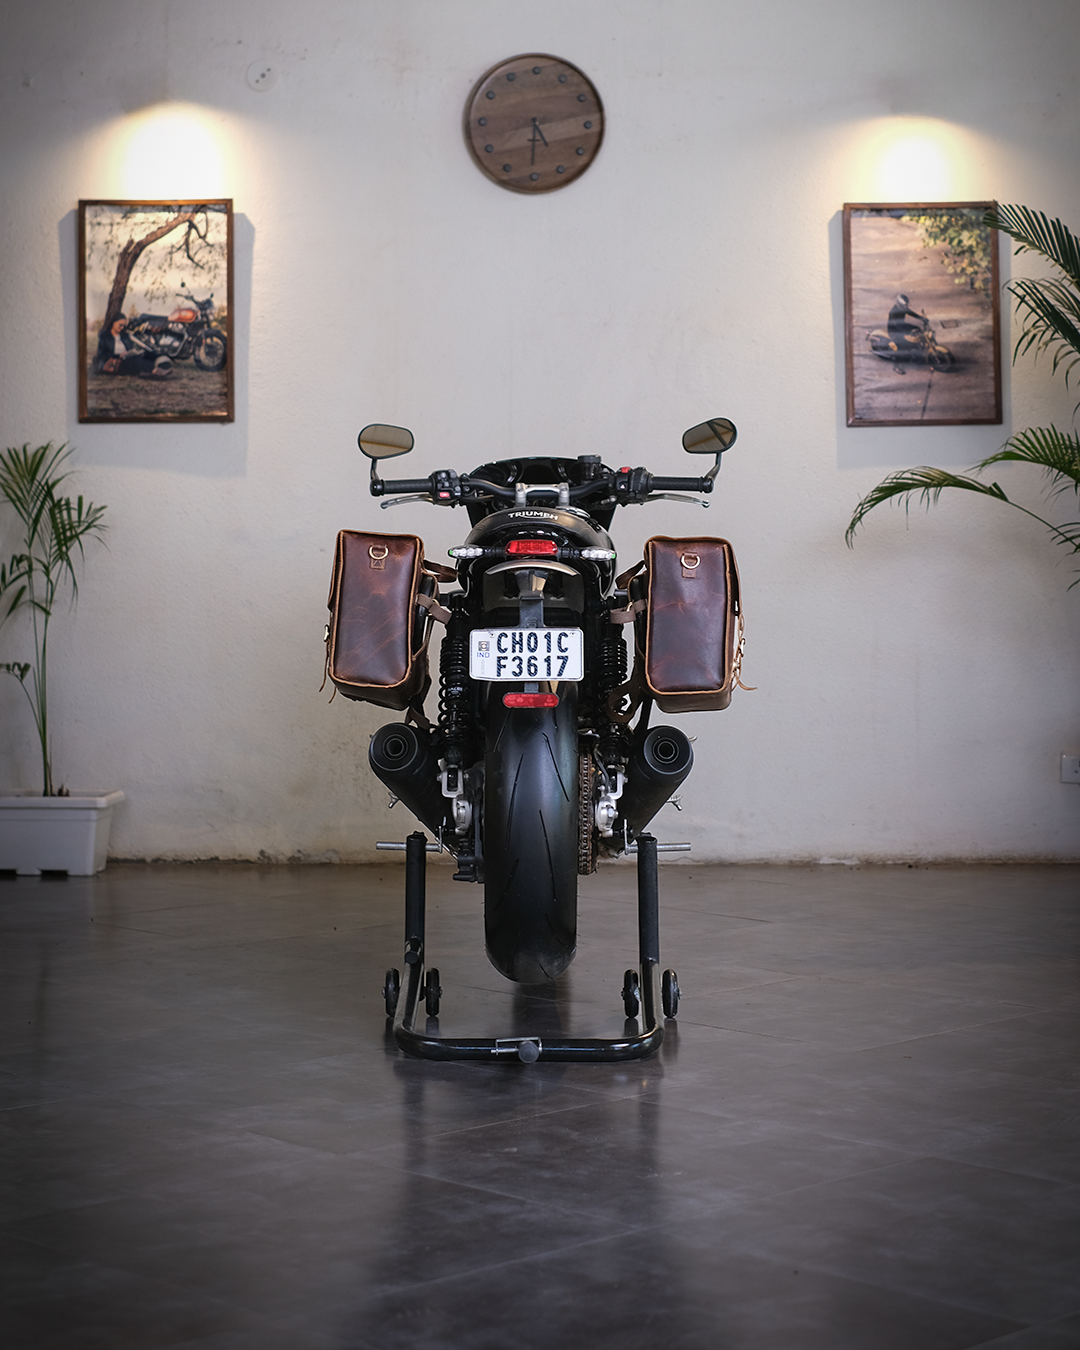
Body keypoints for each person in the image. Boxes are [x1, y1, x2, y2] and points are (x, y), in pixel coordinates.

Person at [93, 316, 172, 378]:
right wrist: (118, 356)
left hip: (127, 357)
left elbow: (130, 348)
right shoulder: (105, 336)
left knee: (143, 355)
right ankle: (155, 371)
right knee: (135, 361)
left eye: (124, 326)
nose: (122, 328)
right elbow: (102, 354)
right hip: (116, 361)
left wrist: (133, 352)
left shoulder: (125, 336)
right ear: (114, 323)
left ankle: (160, 366)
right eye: (120, 325)